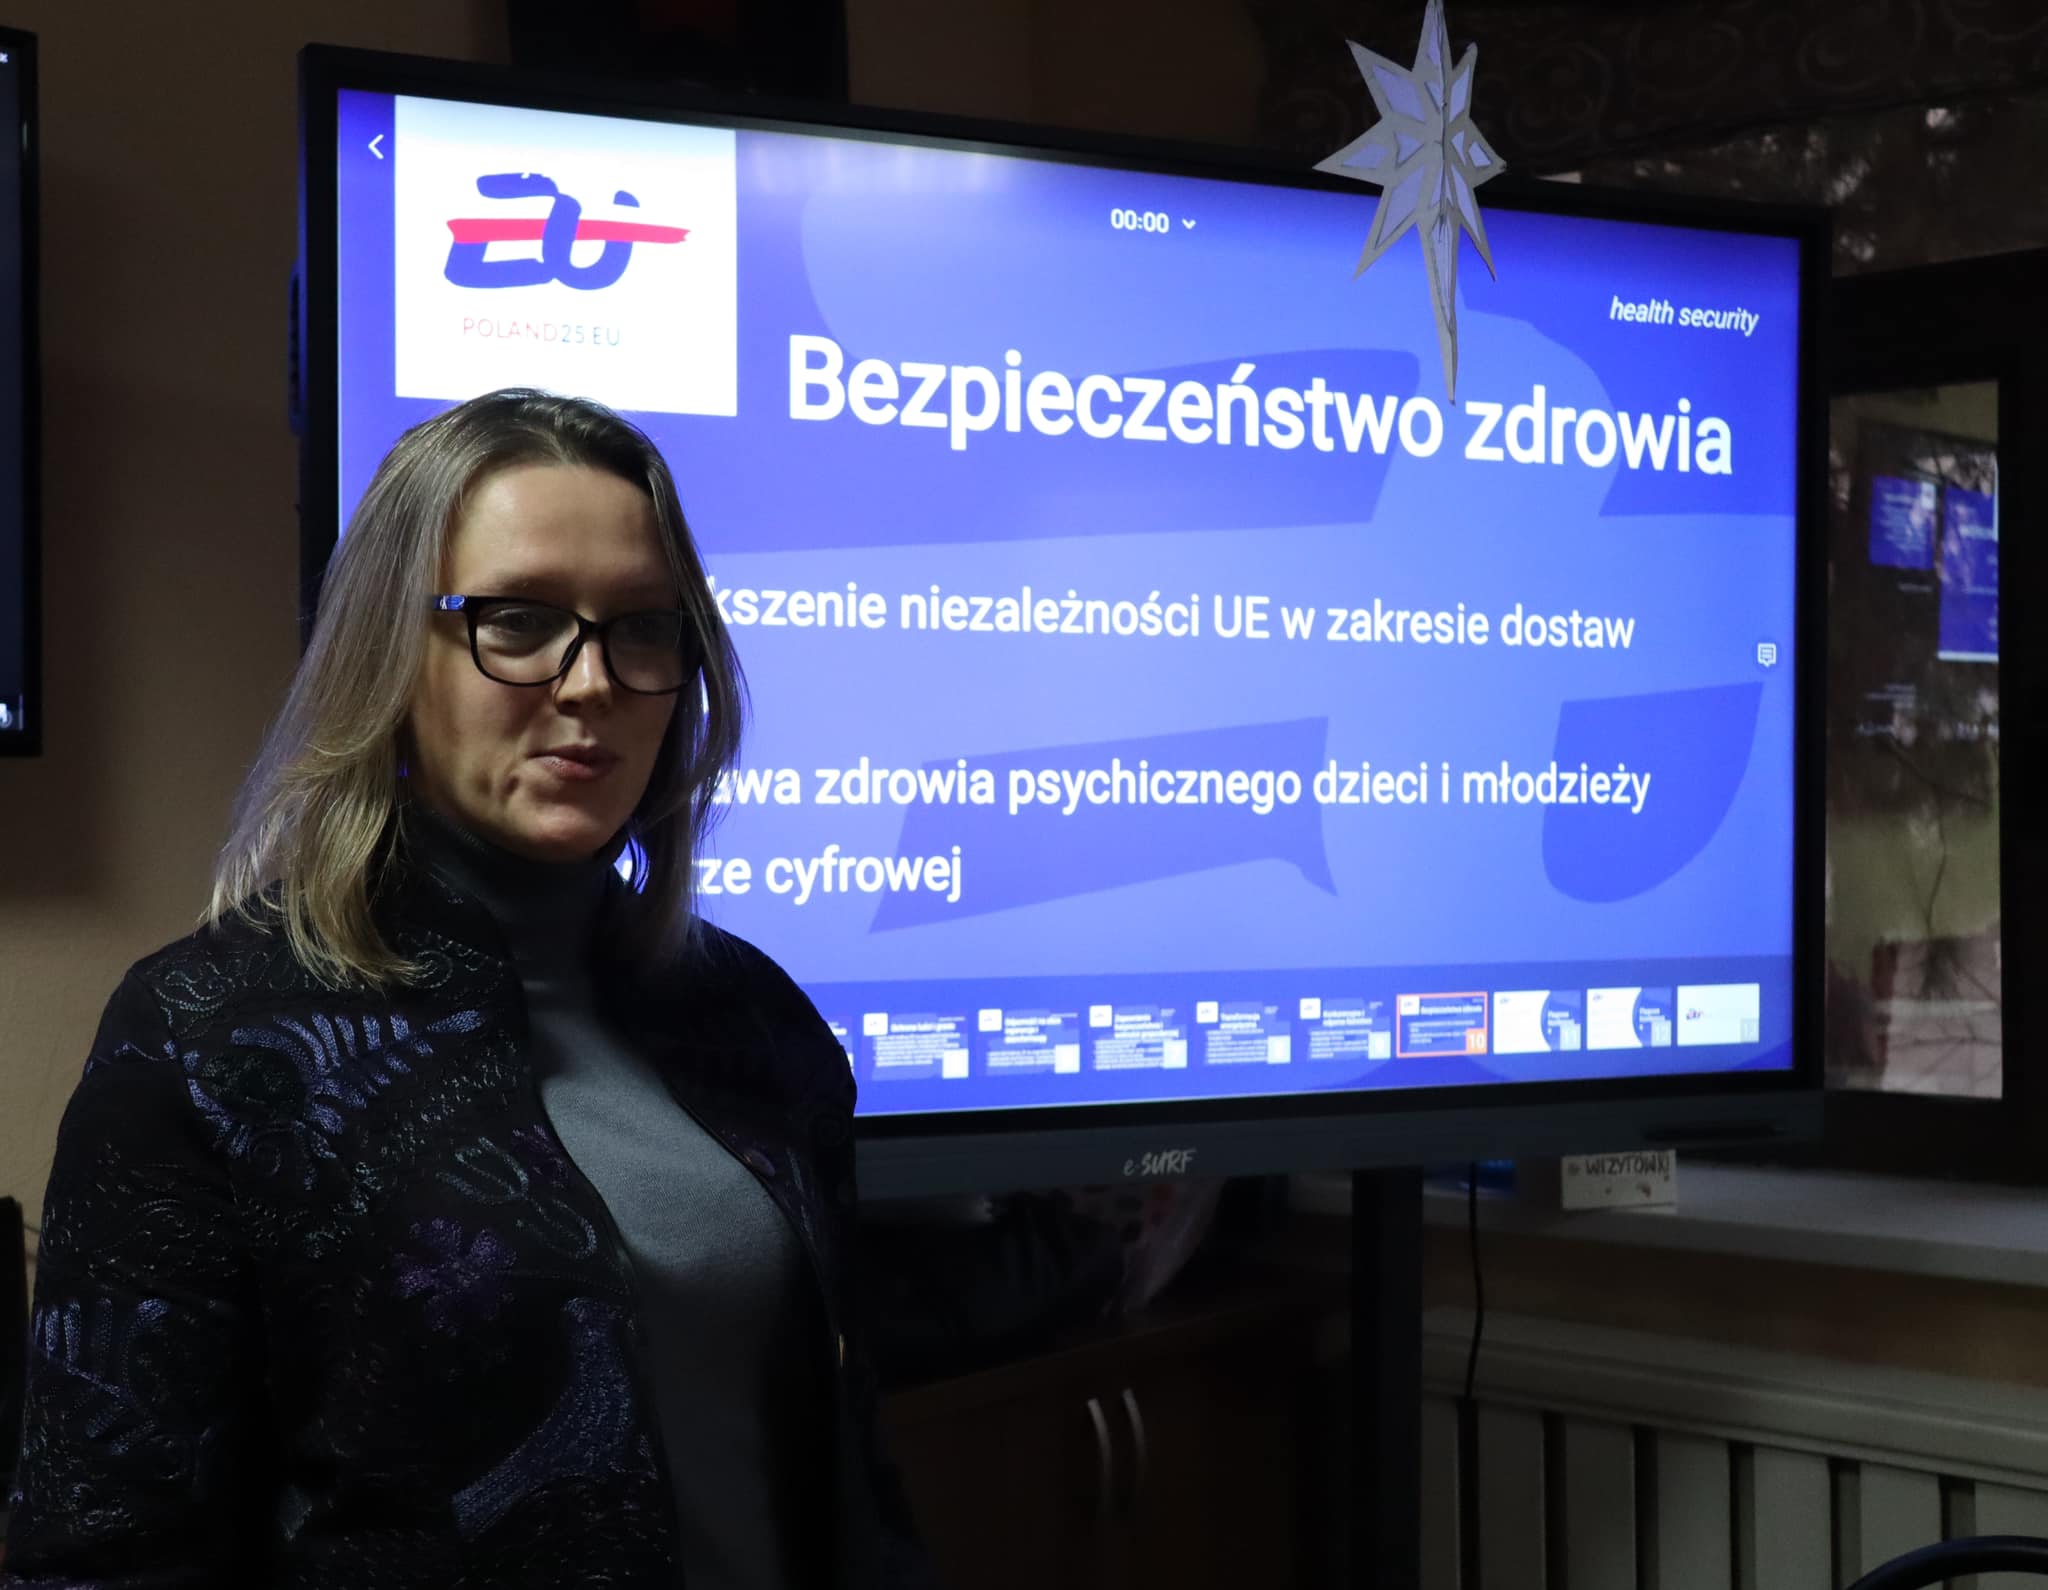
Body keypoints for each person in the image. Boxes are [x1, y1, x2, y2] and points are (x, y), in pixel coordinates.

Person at [3, 390, 936, 1588]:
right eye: (520, 619)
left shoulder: (751, 1017)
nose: (589, 683)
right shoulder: (208, 1036)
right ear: (391, 652)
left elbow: (847, 1481)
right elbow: (103, 1555)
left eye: (643, 628)